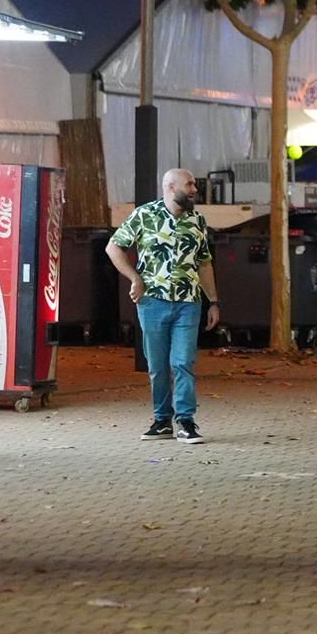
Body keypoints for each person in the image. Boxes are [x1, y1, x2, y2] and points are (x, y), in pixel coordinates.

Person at [106, 168, 221, 444]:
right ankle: (161, 420)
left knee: (182, 362)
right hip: (152, 302)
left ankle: (186, 420)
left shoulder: (197, 221)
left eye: (194, 184)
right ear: (170, 187)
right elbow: (113, 247)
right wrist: (134, 277)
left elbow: (204, 263)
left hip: (188, 302)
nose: (194, 189)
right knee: (157, 365)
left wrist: (213, 301)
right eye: (189, 184)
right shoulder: (145, 215)